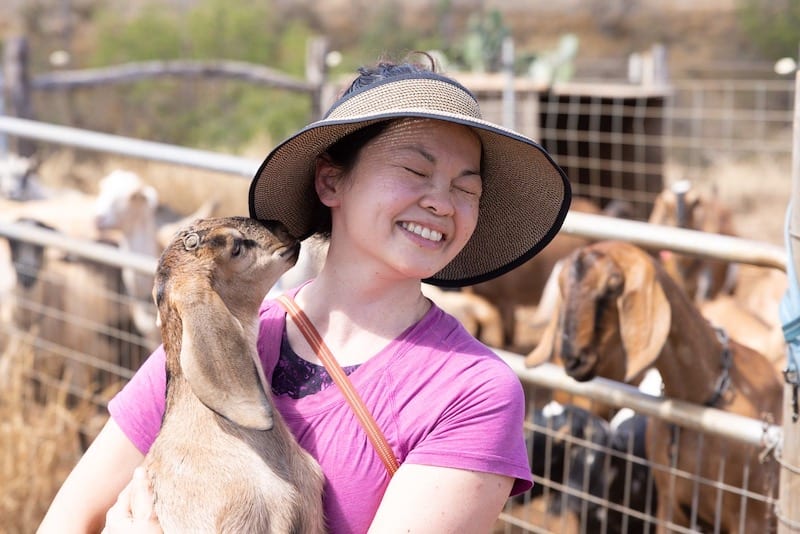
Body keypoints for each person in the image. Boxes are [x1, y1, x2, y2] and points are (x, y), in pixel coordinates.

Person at [38, 53, 571, 534]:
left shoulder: (470, 392)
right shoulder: (211, 339)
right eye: (415, 170)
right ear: (331, 182)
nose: (442, 202)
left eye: (467, 188)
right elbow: (66, 521)